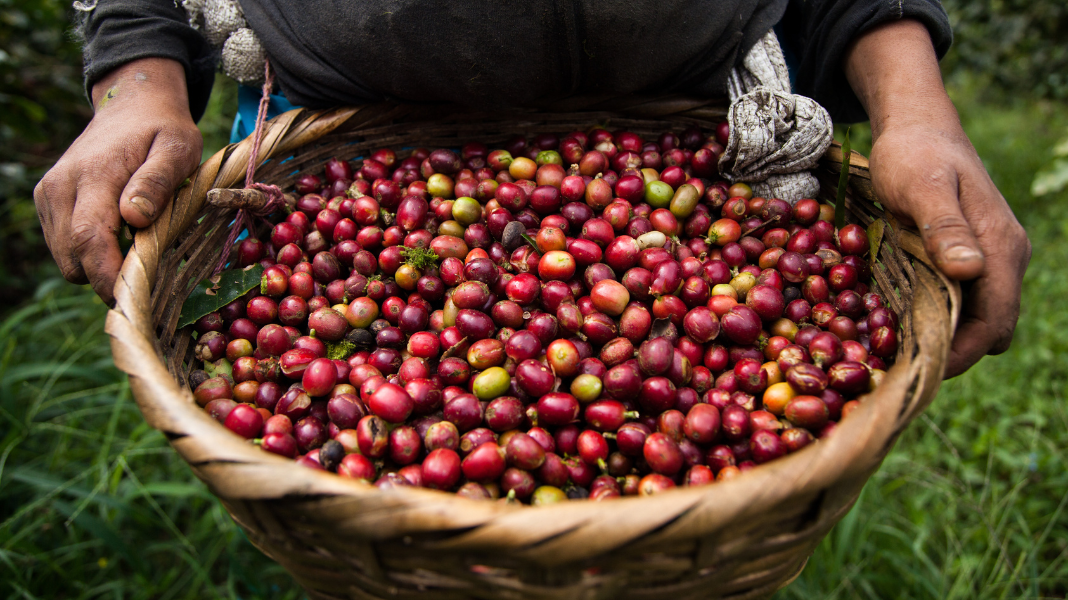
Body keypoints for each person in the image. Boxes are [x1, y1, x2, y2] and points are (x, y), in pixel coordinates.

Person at [34, 0, 1030, 379]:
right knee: (380, 540)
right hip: (329, 137)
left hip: (694, 127)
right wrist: (135, 79)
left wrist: (917, 107)